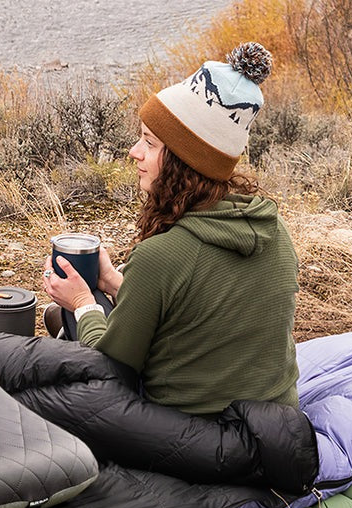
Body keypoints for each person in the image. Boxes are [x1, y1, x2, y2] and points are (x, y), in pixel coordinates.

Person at [42, 42, 300, 415]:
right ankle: (70, 320)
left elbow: (110, 367)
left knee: (53, 335)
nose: (134, 152)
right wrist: (114, 280)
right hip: (279, 426)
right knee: (94, 303)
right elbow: (197, 310)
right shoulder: (274, 231)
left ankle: (68, 321)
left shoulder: (161, 256)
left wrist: (82, 304)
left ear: (183, 161)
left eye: (148, 142)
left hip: (199, 438)